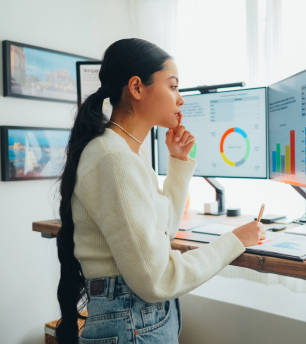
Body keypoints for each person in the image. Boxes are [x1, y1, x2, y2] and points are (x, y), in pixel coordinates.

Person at [56, 38, 265, 344]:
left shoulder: (128, 154)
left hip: (136, 318)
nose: (180, 99)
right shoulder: (114, 159)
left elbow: (163, 231)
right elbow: (157, 279)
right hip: (131, 321)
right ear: (137, 88)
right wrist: (234, 240)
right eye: (173, 86)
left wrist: (178, 163)